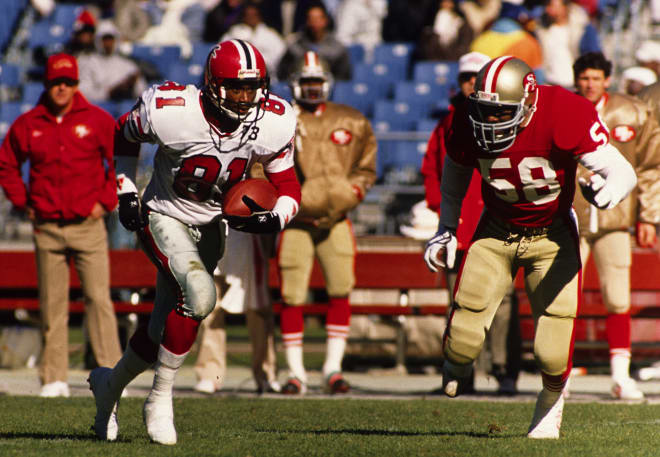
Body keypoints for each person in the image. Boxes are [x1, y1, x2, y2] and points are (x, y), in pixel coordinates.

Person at [87, 39, 301, 445]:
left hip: (212, 225)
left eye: (253, 87)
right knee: (202, 296)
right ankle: (160, 398)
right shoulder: (173, 111)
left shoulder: (273, 120)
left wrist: (275, 217)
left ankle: (108, 389)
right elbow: (124, 133)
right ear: (211, 84)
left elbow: (289, 186)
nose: (245, 97)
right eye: (236, 88)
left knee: (157, 334)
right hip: (164, 215)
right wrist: (126, 189)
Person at [424, 56, 636, 439]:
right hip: (497, 229)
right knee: (463, 340)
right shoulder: (467, 118)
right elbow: (454, 174)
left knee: (552, 348)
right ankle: (455, 364)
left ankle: (550, 406)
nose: (490, 123)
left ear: (528, 100)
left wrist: (609, 191)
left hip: (551, 234)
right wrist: (445, 228)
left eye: (500, 112)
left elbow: (622, 170)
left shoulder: (563, 111)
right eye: (485, 112)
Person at [0, 53, 123, 397]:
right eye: (56, 82)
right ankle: (53, 378)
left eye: (68, 83)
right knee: (52, 304)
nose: (62, 88)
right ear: (47, 83)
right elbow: (7, 164)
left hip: (88, 224)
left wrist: (105, 201)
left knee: (99, 301)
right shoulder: (29, 123)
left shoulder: (97, 120)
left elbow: (118, 161)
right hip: (48, 227)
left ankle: (113, 374)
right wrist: (23, 202)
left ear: (76, 84)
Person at [421, 51, 521, 396]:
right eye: (466, 79)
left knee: (504, 301)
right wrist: (445, 211)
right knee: (460, 301)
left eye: (474, 79)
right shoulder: (450, 122)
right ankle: (463, 373)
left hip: (497, 219)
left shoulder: (510, 116)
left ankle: (503, 368)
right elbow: (433, 170)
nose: (470, 85)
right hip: (462, 226)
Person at [278, 51, 376, 394]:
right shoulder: (283, 118)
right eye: (306, 82)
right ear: (296, 84)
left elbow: (366, 167)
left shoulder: (351, 119)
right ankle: (296, 372)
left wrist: (350, 193)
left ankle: (332, 369)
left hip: (337, 219)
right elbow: (261, 166)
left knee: (340, 290)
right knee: (292, 296)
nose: (313, 88)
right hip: (296, 221)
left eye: (317, 81)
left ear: (328, 83)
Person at [572, 51, 660, 400]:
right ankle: (559, 374)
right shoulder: (562, 109)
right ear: (576, 79)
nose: (590, 84)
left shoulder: (633, 110)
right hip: (572, 217)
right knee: (563, 298)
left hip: (616, 217)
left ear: (607, 79)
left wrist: (649, 215)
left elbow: (650, 166)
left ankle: (620, 375)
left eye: (596, 78)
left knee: (617, 296)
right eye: (584, 78)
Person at [194, 165, 280, 395]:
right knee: (208, 304)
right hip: (211, 220)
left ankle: (266, 372)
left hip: (248, 224)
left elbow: (266, 176)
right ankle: (209, 372)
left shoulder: (257, 133)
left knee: (258, 305)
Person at [277, 1, 352, 82]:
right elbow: (283, 75)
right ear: (307, 21)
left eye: (318, 19)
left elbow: (344, 79)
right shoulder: (294, 48)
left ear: (325, 20)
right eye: (311, 19)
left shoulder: (338, 49)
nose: (315, 23)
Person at [535, 0, 601, 88]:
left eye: (552, 5)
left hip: (574, 83)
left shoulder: (581, 28)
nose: (549, 9)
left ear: (565, 7)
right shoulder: (541, 29)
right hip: (550, 82)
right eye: (547, 5)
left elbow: (593, 55)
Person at [77, 20, 147, 103]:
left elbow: (142, 93)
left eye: (111, 39)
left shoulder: (127, 64)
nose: (108, 43)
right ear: (98, 41)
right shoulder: (88, 63)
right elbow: (83, 93)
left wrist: (132, 86)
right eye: (105, 39)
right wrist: (109, 93)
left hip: (125, 108)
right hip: (99, 108)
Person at [221, 2, 286, 78]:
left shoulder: (270, 35)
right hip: (237, 75)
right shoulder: (234, 32)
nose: (251, 18)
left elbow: (281, 55)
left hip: (266, 75)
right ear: (243, 16)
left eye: (254, 15)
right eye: (248, 15)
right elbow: (222, 51)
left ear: (259, 16)